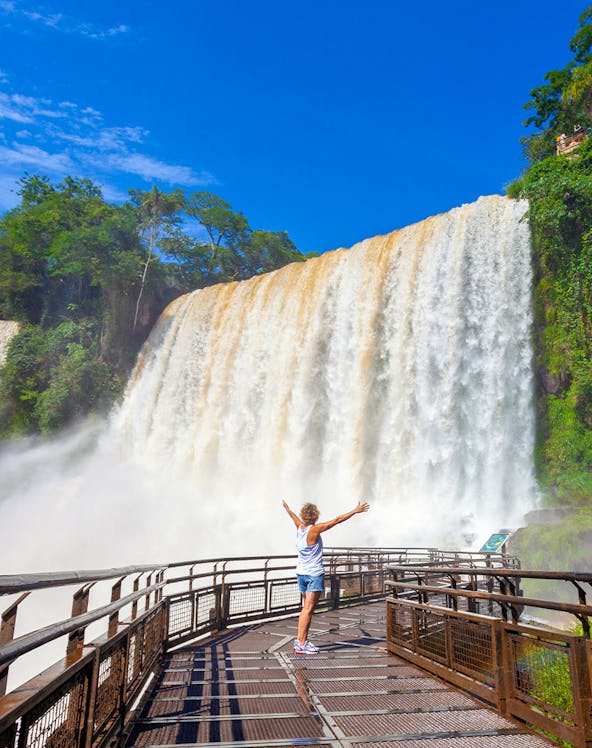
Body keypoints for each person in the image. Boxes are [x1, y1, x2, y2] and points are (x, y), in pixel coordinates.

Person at [282, 498, 370, 654]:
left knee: (305, 608)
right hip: (313, 574)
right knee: (309, 609)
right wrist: (355, 511)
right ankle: (302, 643)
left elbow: (293, 517)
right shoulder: (314, 530)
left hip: (301, 573)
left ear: (303, 516)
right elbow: (337, 520)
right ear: (315, 516)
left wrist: (287, 509)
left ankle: (300, 640)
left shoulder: (299, 528)